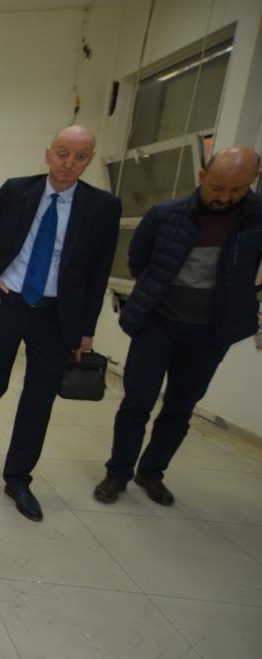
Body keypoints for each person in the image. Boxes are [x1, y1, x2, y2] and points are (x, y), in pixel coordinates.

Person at [0, 125, 121, 522]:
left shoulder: (102, 207)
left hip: (57, 314)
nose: (69, 163)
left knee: (39, 398)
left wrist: (86, 329)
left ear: (89, 161)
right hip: (6, 302)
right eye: (62, 153)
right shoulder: (17, 190)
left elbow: (99, 272)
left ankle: (18, 477)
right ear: (48, 154)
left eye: (80, 157)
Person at [94, 146, 261, 506]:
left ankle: (152, 472)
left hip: (211, 332)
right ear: (202, 176)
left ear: (253, 181)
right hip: (157, 323)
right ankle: (118, 472)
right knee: (137, 402)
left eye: (237, 190)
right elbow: (138, 261)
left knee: (180, 407)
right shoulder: (165, 215)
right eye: (217, 188)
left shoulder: (257, 218)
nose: (225, 197)